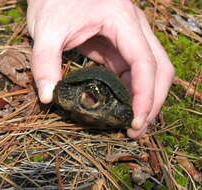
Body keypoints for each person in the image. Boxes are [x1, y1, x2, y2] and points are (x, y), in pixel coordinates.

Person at [26, 0, 175, 139]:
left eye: (98, 93)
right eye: (91, 90)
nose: (93, 91)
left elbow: (126, 112)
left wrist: (129, 117)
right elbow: (60, 88)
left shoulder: (114, 107)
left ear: (108, 100)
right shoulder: (71, 93)